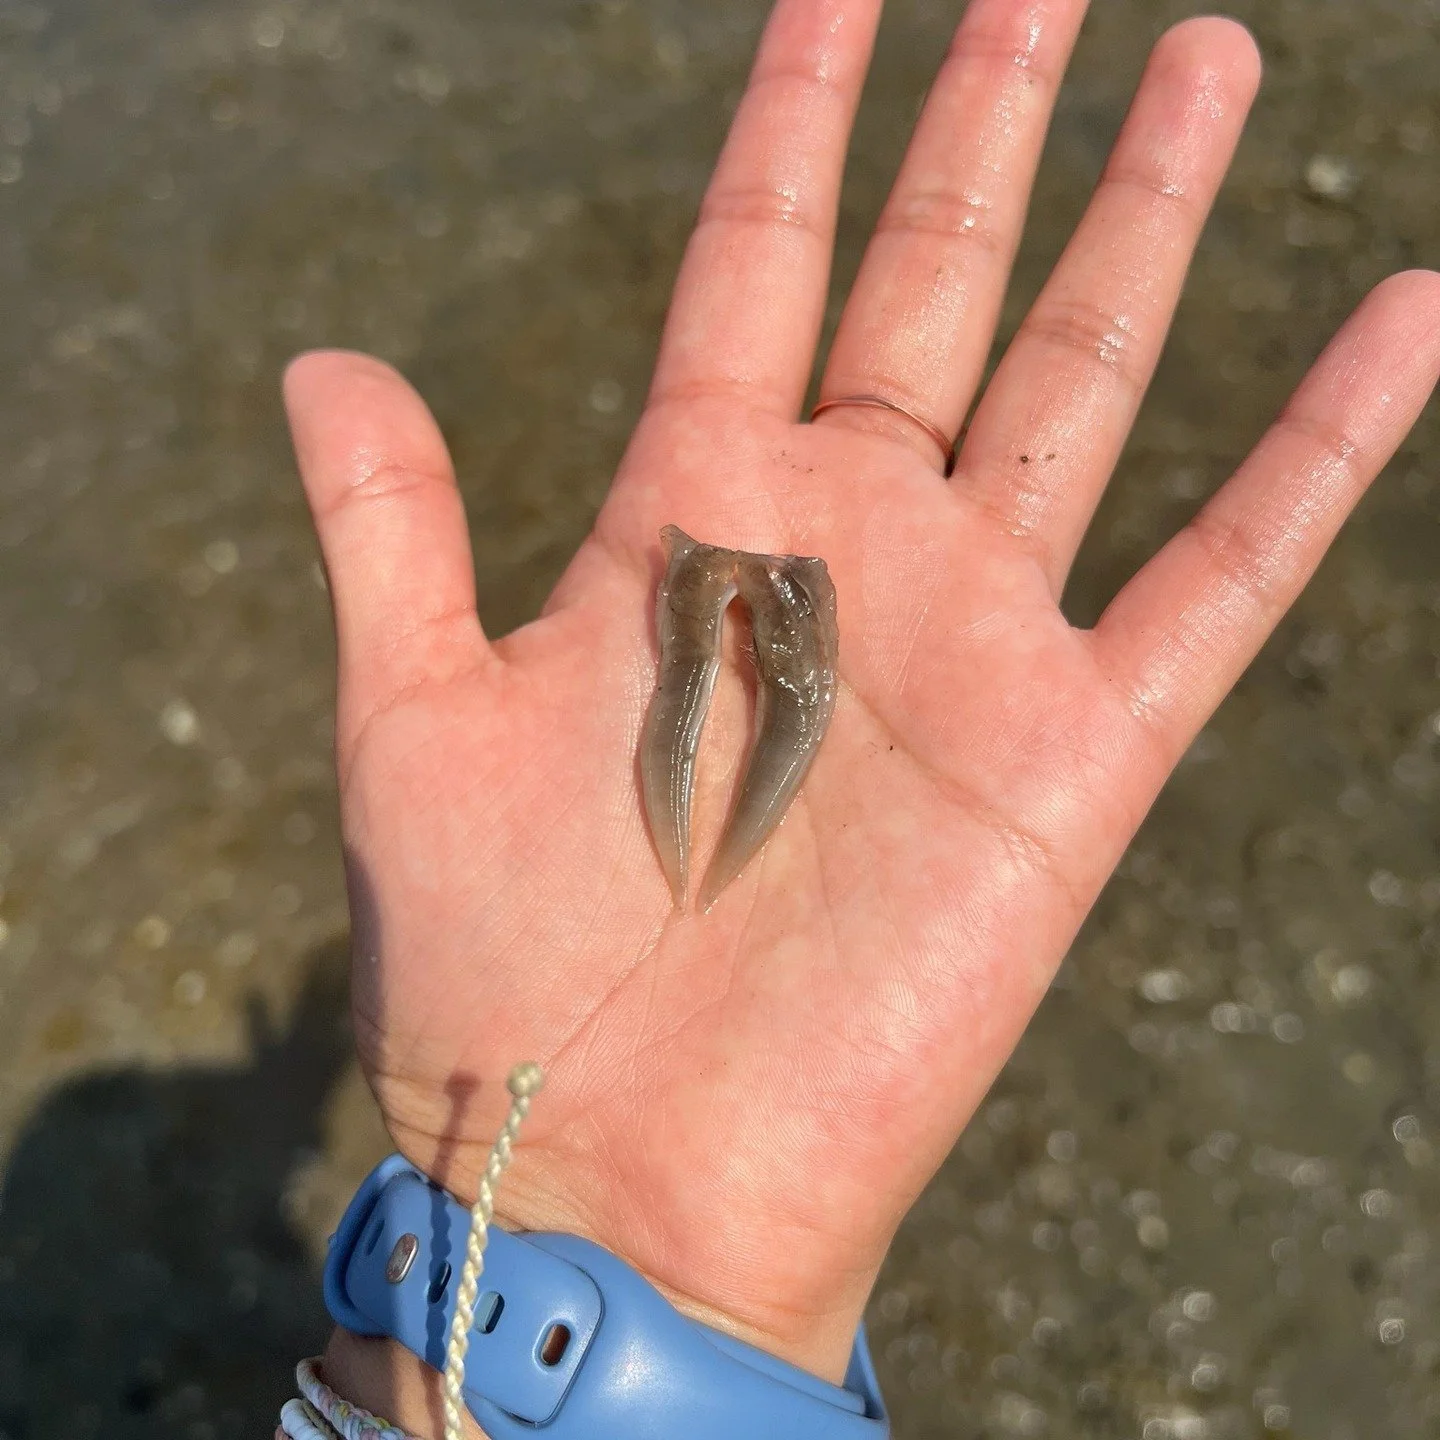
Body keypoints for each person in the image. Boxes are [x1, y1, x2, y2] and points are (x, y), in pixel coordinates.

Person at [280, 0, 1440, 1431]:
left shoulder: (789, 642)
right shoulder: (711, 627)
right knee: (695, 711)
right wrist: (668, 1284)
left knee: (742, 715)